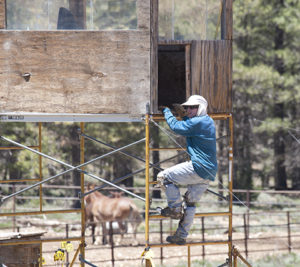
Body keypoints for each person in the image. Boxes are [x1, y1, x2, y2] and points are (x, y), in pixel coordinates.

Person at [156, 95, 218, 245]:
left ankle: (175, 209)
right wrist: (183, 116)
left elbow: (177, 128)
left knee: (164, 177)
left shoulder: (198, 121)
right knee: (190, 203)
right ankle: (181, 235)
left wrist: (166, 111)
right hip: (209, 171)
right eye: (187, 107)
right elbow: (190, 126)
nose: (188, 110)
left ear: (200, 108)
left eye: (193, 107)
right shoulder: (207, 121)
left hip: (198, 167)